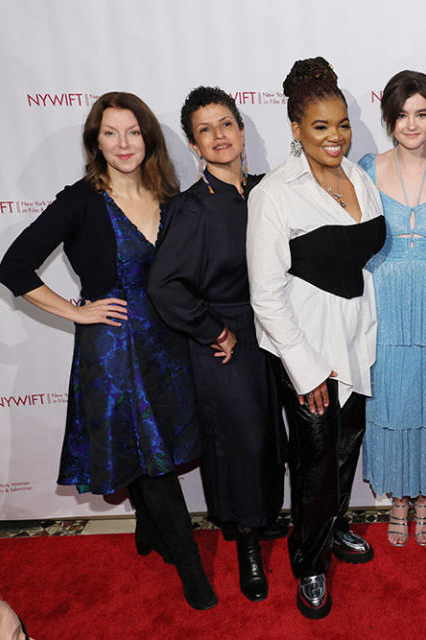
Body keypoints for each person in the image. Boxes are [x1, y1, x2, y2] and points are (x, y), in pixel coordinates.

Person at [0, 92, 214, 610]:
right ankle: (191, 571)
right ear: (96, 141)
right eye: (110, 133)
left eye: (133, 131)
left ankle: (149, 531)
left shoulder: (169, 194)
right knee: (154, 459)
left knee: (149, 449)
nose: (123, 143)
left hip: (168, 345)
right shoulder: (81, 199)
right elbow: (13, 266)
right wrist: (77, 311)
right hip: (116, 355)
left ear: (148, 138)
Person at [246, 57, 385, 620]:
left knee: (345, 449)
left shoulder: (359, 178)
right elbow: (266, 293)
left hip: (355, 342)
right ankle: (308, 564)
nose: (336, 136)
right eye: (322, 126)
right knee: (312, 461)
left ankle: (331, 529)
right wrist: (305, 367)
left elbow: (363, 257)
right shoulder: (275, 193)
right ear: (297, 129)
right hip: (304, 350)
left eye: (343, 124)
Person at [148, 86, 287, 603]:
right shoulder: (191, 210)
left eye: (225, 124)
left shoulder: (267, 191)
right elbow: (164, 286)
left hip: (272, 333)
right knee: (240, 445)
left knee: (269, 438)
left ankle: (264, 518)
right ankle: (245, 542)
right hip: (226, 341)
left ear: (243, 130)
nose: (218, 136)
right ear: (193, 145)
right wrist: (213, 330)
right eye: (205, 130)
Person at [357, 71, 426, 548]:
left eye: (421, 114)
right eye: (402, 115)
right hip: (383, 298)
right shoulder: (365, 166)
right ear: (389, 118)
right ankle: (398, 499)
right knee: (391, 397)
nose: (412, 124)